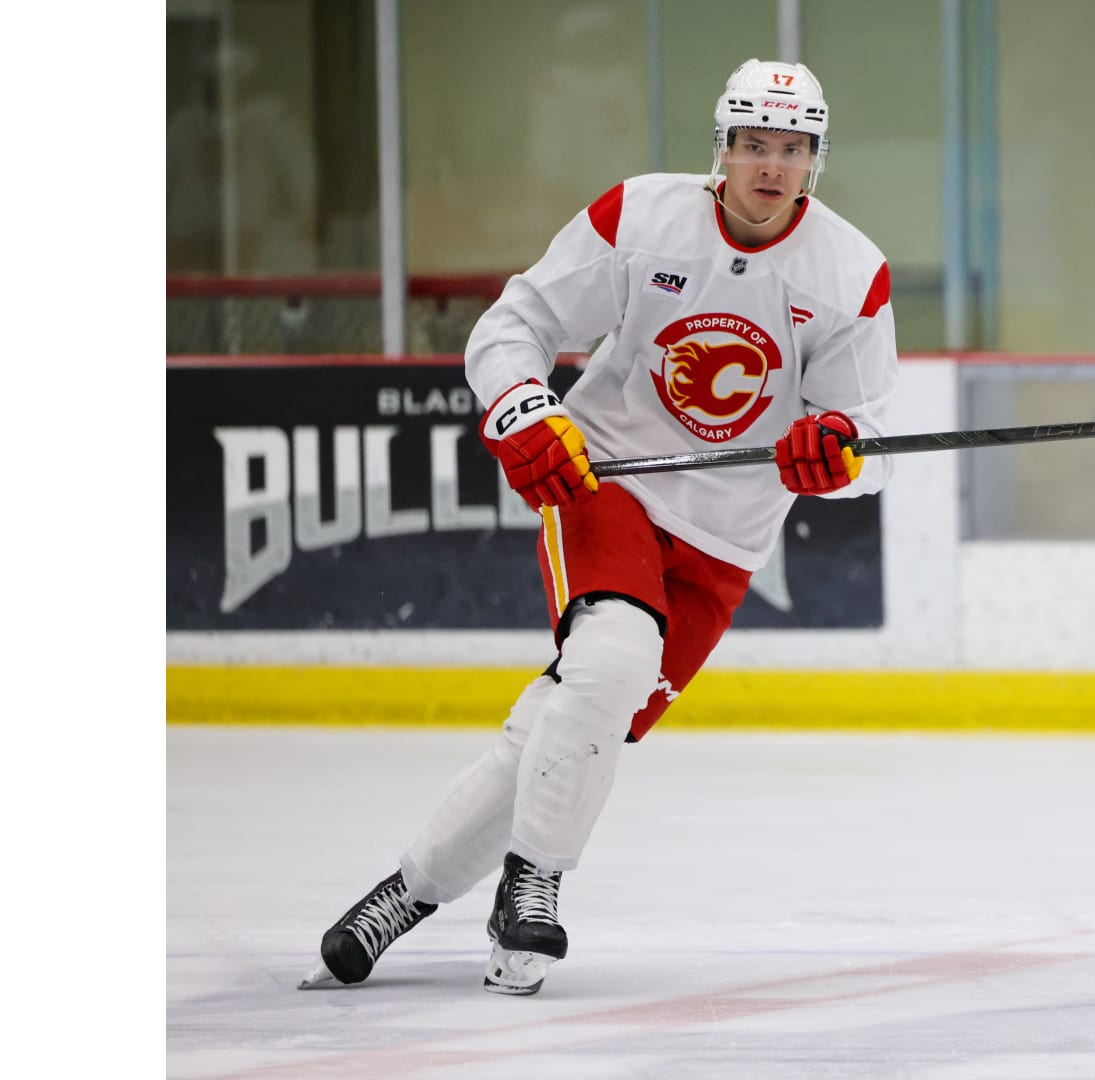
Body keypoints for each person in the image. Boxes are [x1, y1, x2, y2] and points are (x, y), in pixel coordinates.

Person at [297, 58, 899, 995]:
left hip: (726, 540)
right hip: (609, 480)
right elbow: (512, 327)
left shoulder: (851, 272)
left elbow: (872, 442)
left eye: (791, 148)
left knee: (573, 722)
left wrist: (837, 455)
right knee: (613, 659)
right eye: (753, 143)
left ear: (815, 159)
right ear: (722, 146)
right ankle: (533, 884)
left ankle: (403, 894)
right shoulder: (641, 218)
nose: (771, 166)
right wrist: (524, 411)